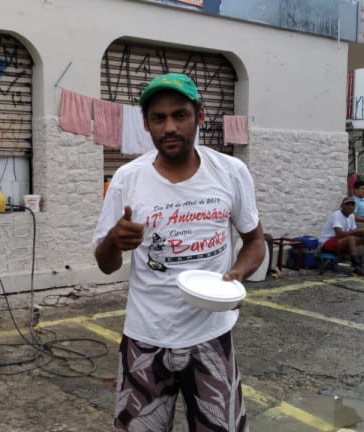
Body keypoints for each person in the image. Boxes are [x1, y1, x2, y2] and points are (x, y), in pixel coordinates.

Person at [93, 73, 265, 431]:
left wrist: (237, 276)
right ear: (146, 124)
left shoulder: (231, 172)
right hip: (145, 337)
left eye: (180, 115)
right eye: (159, 118)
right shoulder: (127, 178)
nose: (169, 127)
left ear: (200, 116)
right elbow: (106, 265)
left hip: (212, 336)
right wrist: (114, 240)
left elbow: (254, 242)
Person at [318, 196, 364, 276]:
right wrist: (358, 231)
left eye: (352, 205)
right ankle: (356, 267)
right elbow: (339, 234)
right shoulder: (337, 215)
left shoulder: (351, 216)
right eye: (347, 204)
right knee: (350, 239)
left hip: (340, 241)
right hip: (327, 242)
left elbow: (354, 232)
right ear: (342, 206)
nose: (350, 207)